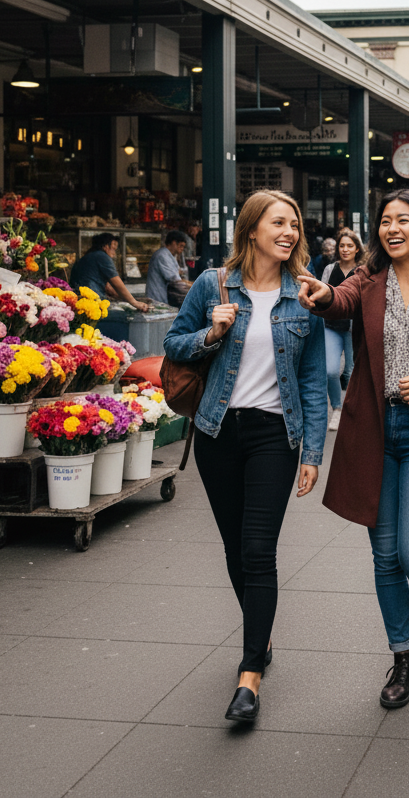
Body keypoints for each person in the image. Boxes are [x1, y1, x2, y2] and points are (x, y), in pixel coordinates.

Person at [297, 189, 409, 710]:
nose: (392, 229)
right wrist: (323, 295)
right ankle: (402, 658)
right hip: (374, 430)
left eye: (403, 220)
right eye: (385, 222)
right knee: (384, 556)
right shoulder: (366, 281)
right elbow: (340, 302)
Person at [163, 190, 327, 725]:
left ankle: (249, 675)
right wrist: (212, 333)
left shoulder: (304, 296)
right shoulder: (213, 284)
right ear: (252, 228)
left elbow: (311, 379)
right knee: (236, 549)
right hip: (216, 432)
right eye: (280, 222)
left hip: (274, 436)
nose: (290, 232)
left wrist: (313, 453)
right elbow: (173, 343)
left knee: (259, 550)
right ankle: (264, 632)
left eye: (295, 224)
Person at [320, 228, 364, 431]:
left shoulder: (363, 270)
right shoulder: (330, 269)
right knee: (330, 370)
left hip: (355, 328)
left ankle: (353, 411)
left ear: (357, 249)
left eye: (350, 246)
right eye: (342, 245)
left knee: (351, 372)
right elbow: (321, 296)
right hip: (332, 326)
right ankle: (337, 409)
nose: (345, 249)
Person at [69, 233, 148, 311]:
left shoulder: (89, 256)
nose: (114, 254)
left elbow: (108, 288)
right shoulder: (102, 256)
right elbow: (116, 282)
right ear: (105, 246)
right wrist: (134, 302)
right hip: (91, 302)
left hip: (81, 300)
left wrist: (130, 299)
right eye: (113, 249)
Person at [145, 230, 189, 306]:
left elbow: (178, 272)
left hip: (163, 298)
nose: (182, 249)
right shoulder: (162, 255)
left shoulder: (170, 256)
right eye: (181, 246)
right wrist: (192, 286)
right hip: (157, 298)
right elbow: (174, 278)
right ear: (174, 243)